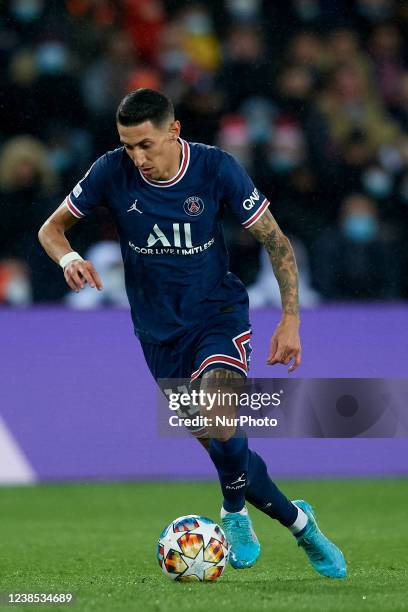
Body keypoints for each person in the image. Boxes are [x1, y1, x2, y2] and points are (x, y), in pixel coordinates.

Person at [38, 88, 346, 578]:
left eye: (145, 144)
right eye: (127, 146)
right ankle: (301, 524)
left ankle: (232, 513)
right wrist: (69, 258)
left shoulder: (215, 168)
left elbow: (275, 240)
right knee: (226, 448)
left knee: (221, 418)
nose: (136, 157)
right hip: (159, 336)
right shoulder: (108, 171)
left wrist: (291, 319)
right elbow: (51, 230)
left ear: (174, 131)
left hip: (216, 317)